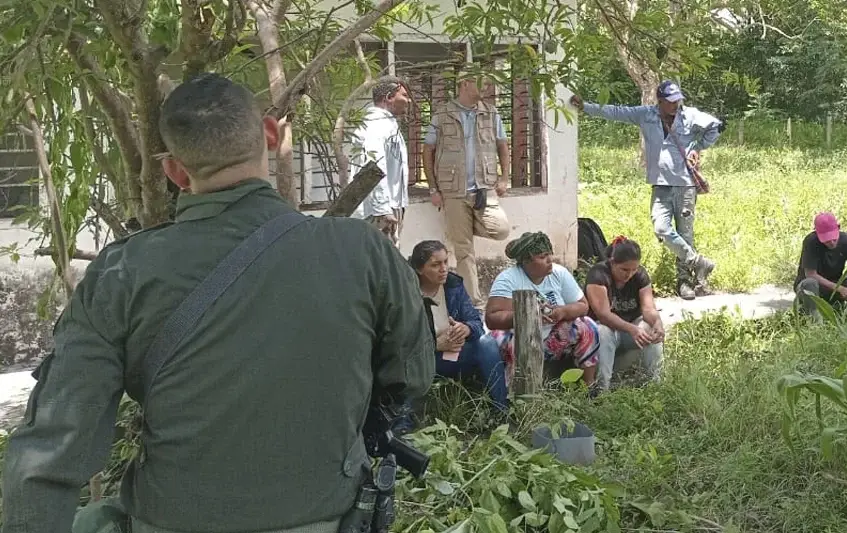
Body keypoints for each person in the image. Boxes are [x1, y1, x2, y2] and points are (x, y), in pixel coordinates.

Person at [1, 73, 434, 533]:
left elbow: (51, 448)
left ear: (175, 172)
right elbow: (411, 376)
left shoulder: (122, 271)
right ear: (271, 134)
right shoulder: (363, 251)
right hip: (327, 514)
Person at [570, 81, 723, 300]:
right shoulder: (646, 115)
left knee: (685, 233)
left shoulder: (689, 115)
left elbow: (716, 126)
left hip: (685, 184)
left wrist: (697, 148)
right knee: (662, 228)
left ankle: (685, 281)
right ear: (659, 101)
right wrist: (586, 107)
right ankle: (698, 262)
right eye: (670, 102)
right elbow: (616, 112)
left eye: (677, 100)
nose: (675, 105)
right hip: (660, 183)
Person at [423, 75, 512, 309]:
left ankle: (463, 225)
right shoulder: (442, 114)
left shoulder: (491, 113)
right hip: (453, 191)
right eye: (481, 82)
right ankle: (474, 301)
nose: (487, 87)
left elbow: (503, 145)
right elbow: (428, 150)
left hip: (484, 189)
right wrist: (433, 188)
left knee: (501, 229)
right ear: (465, 84)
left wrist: (504, 178)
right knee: (464, 250)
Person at [484, 232, 602, 388]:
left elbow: (583, 306)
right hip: (520, 336)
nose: (549, 260)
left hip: (551, 337)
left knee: (588, 326)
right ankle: (516, 392)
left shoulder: (559, 273)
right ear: (526, 261)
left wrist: (562, 312)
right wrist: (526, 316)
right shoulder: (508, 279)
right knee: (509, 339)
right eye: (542, 257)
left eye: (549, 254)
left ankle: (588, 386)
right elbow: (491, 318)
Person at [409, 240, 509, 413]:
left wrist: (466, 328)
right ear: (419, 269)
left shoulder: (453, 285)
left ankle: (501, 410)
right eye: (435, 265)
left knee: (486, 343)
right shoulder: (407, 293)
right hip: (421, 361)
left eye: (445, 262)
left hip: (451, 356)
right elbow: (400, 342)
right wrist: (434, 344)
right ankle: (403, 422)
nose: (443, 269)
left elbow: (476, 321)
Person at [586, 236, 664, 391]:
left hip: (630, 330)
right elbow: (604, 315)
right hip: (607, 331)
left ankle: (656, 384)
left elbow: (648, 309)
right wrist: (632, 329)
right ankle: (601, 389)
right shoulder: (598, 274)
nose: (629, 274)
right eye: (624, 270)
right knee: (603, 332)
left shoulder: (640, 275)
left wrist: (657, 323)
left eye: (634, 269)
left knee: (650, 329)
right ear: (612, 262)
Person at [350, 75, 413, 246]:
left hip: (389, 205)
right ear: (389, 97)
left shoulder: (387, 124)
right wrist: (383, 209)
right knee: (381, 257)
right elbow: (375, 166)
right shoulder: (376, 125)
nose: (408, 101)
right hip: (378, 211)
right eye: (404, 95)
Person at [795, 212, 847, 315]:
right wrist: (840, 289)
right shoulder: (811, 241)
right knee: (810, 283)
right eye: (827, 240)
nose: (831, 243)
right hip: (814, 286)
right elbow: (811, 274)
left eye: (834, 238)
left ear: (838, 228)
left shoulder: (844, 239)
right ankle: (814, 319)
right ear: (817, 233)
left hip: (836, 283)